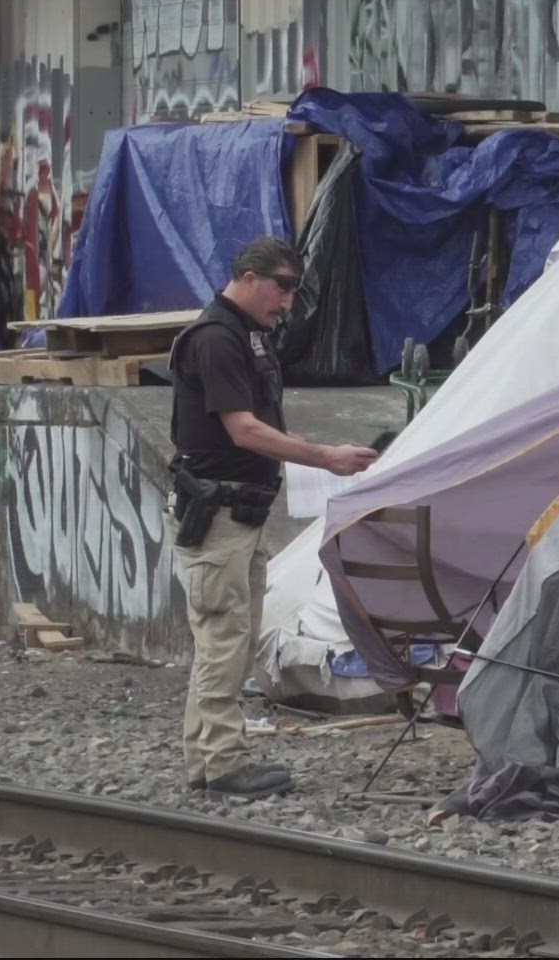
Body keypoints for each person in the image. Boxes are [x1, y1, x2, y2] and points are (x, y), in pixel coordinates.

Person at [167, 237, 379, 800]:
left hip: (238, 513)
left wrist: (307, 447)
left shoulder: (244, 336)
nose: (287, 302)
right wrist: (325, 457)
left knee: (230, 637)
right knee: (224, 639)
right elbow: (244, 430)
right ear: (247, 275)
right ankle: (221, 763)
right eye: (282, 286)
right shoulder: (217, 338)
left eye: (293, 289)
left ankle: (208, 756)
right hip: (220, 515)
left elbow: (254, 429)